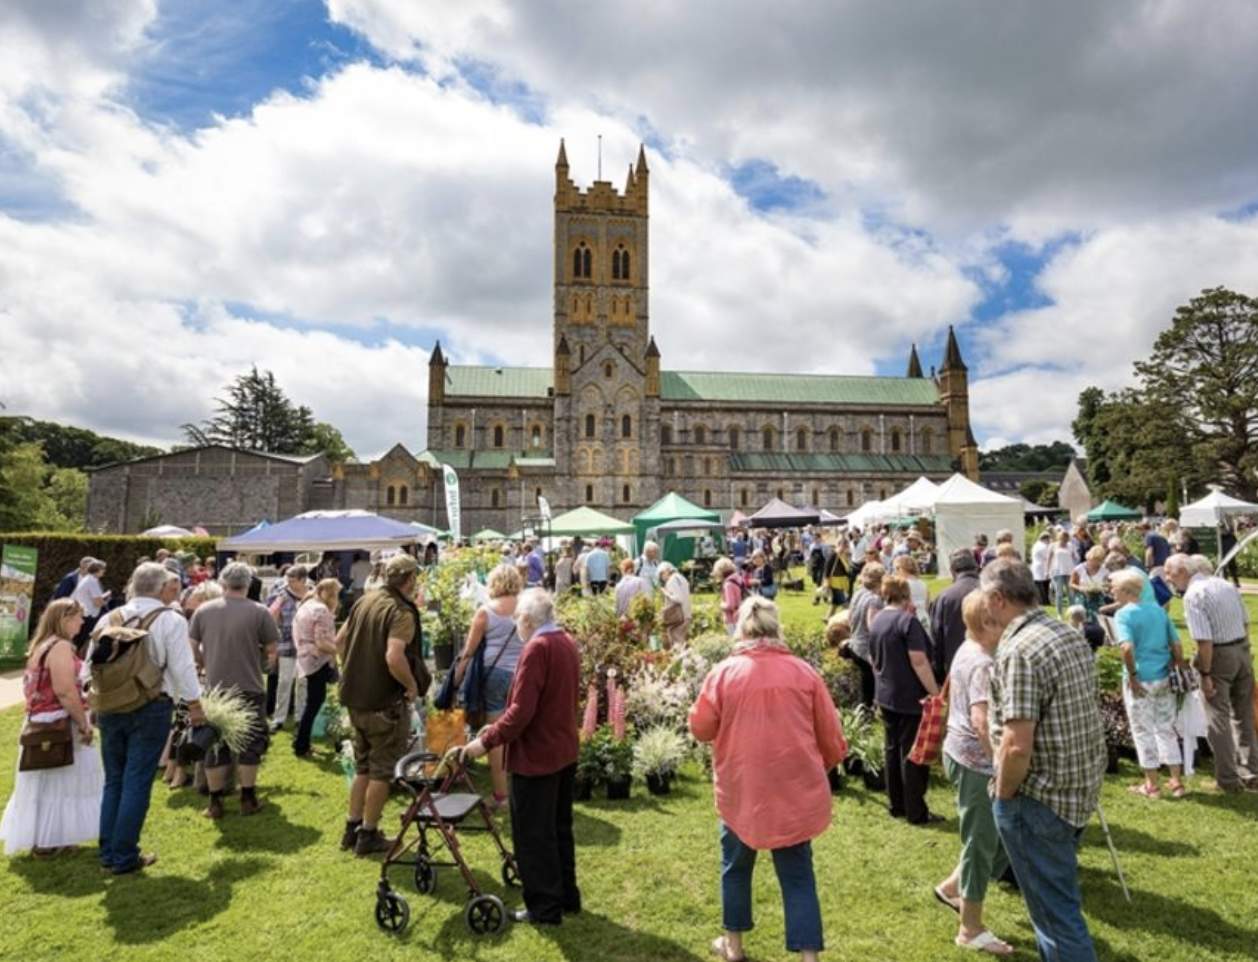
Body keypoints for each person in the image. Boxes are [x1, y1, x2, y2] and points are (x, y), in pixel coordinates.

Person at [689, 595, 846, 962]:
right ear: (777, 627)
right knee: (798, 876)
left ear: (741, 628)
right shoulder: (803, 672)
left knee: (735, 868)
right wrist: (821, 765)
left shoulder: (725, 672)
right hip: (792, 788)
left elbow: (700, 726)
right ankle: (809, 957)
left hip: (741, 788)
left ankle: (734, 945)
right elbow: (832, 738)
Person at [983, 559, 1105, 962]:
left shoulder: (1019, 650)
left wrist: (1003, 796)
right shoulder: (1064, 632)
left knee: (1056, 916)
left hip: (1039, 797)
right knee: (1055, 906)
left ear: (998, 599)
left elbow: (1017, 744)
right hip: (1075, 788)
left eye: (986, 600)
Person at [459, 589, 582, 925]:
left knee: (533, 834)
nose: (517, 626)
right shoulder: (565, 642)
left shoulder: (538, 648)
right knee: (558, 829)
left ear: (528, 619)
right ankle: (566, 895)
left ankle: (544, 907)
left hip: (538, 755)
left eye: (518, 621)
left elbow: (520, 712)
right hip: (562, 749)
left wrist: (482, 743)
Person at [91, 562, 206, 873]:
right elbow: (182, 667)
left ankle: (108, 852)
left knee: (114, 780)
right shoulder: (170, 619)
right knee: (136, 780)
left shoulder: (109, 617)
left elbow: (90, 665)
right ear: (160, 588)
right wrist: (195, 703)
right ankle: (125, 855)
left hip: (110, 703)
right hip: (151, 703)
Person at [933, 591, 1013, 956]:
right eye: (1004, 617)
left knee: (988, 839)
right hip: (975, 762)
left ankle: (952, 887)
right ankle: (971, 928)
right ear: (988, 623)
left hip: (960, 753)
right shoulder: (981, 660)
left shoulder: (967, 648)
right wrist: (1000, 762)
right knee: (982, 845)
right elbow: (981, 720)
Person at [336, 553, 430, 856]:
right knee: (381, 771)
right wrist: (411, 685)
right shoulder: (400, 612)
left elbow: (340, 641)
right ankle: (368, 833)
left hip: (356, 698)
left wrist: (352, 669)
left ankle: (352, 827)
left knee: (363, 766)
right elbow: (394, 656)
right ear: (410, 579)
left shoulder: (366, 601)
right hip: (383, 702)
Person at [0, 600, 104, 857]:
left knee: (49, 783)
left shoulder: (43, 645)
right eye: (79, 617)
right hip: (57, 723)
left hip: (41, 721)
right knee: (61, 781)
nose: (82, 622)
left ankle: (53, 837)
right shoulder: (59, 647)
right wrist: (83, 723)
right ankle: (49, 840)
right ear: (64, 618)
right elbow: (65, 690)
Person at [187, 561, 280, 818]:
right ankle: (247, 797)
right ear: (248, 584)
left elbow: (191, 649)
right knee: (250, 744)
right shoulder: (260, 612)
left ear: (223, 583)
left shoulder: (203, 611)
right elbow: (272, 653)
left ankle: (215, 802)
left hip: (215, 689)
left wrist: (204, 666)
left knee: (216, 745)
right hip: (250, 685)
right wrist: (261, 662)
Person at [1163, 554, 1256, 792]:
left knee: (1218, 719)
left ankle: (1227, 780)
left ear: (1183, 571)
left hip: (1219, 656)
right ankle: (1251, 772)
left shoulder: (1194, 595)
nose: (1167, 578)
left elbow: (1204, 641)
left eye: (1170, 573)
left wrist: (1205, 674)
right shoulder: (1225, 584)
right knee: (1243, 715)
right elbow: (1246, 623)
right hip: (1242, 651)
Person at [869, 575, 941, 825]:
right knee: (913, 754)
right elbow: (919, 661)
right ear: (906, 595)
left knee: (891, 750)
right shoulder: (907, 622)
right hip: (909, 697)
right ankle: (915, 810)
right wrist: (935, 692)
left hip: (886, 694)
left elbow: (873, 655)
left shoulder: (878, 619)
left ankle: (896, 803)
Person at [1108, 570, 1186, 798]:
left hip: (1141, 678)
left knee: (1143, 730)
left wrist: (1132, 674)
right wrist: (1177, 665)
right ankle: (1176, 781)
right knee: (1166, 728)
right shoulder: (1159, 612)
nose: (1112, 592)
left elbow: (1126, 647)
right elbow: (1177, 644)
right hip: (1163, 675)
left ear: (1127, 591)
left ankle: (1151, 784)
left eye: (1115, 589)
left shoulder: (1124, 615)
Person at [453, 564, 525, 810]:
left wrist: (455, 680)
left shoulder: (485, 612)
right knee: (521, 729)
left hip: (494, 675)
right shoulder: (526, 608)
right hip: (523, 675)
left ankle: (501, 796)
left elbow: (468, 652)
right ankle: (524, 786)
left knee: (496, 735)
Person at [292, 577, 341, 758]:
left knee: (311, 702)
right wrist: (341, 651)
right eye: (335, 595)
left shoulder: (306, 606)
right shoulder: (321, 611)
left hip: (305, 657)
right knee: (314, 703)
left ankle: (301, 741)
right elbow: (322, 642)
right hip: (317, 660)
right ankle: (301, 744)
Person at [268, 565, 309, 732]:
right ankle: (279, 718)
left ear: (302, 580)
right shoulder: (282, 593)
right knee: (284, 681)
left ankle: (300, 717)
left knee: (303, 682)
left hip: (306, 644)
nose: (289, 583)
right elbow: (271, 616)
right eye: (288, 580)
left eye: (293, 580)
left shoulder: (312, 592)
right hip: (286, 642)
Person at [929, 549, 981, 682]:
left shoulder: (944, 597)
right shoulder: (992, 591)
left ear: (952, 571)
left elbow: (936, 638)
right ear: (976, 568)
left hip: (956, 667)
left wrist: (938, 673)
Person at [844, 563, 886, 709]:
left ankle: (864, 710)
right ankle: (869, 711)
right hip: (866, 649)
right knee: (870, 685)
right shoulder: (875, 600)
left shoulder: (858, 593)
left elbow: (849, 617)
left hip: (855, 643)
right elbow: (873, 627)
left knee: (865, 682)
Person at [70, 559, 110, 650]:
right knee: (82, 641)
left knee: (78, 640)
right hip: (89, 616)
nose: (104, 571)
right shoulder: (92, 581)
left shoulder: (87, 579)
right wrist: (106, 600)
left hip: (85, 614)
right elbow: (97, 602)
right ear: (98, 570)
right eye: (103, 569)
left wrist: (103, 597)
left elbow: (93, 597)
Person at [892, 554, 931, 636]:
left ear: (902, 568)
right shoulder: (923, 584)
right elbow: (927, 605)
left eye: (897, 568)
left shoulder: (903, 585)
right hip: (924, 617)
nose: (895, 572)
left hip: (909, 619)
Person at [657, 561, 692, 648]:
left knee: (677, 643)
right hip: (686, 614)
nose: (662, 578)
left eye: (661, 575)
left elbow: (678, 599)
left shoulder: (672, 580)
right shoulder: (681, 578)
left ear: (666, 571)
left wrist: (666, 593)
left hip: (678, 617)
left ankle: (681, 661)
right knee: (682, 640)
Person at [1069, 545, 1107, 622]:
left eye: (1098, 560)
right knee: (1081, 621)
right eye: (1092, 560)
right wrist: (1081, 588)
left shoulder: (1105, 571)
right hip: (1082, 599)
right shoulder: (1079, 569)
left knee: (1097, 622)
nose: (1094, 563)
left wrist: (1100, 588)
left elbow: (1107, 586)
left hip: (1097, 600)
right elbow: (1071, 584)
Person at [1048, 531, 1076, 619]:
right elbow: (1049, 558)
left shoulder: (1070, 545)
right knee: (1059, 593)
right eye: (1063, 537)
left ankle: (1072, 612)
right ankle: (1059, 613)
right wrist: (1047, 571)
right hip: (1057, 571)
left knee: (1070, 593)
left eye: (1066, 537)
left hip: (1069, 571)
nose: (1065, 539)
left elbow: (1074, 557)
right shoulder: (1053, 545)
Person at [714, 557, 743, 636]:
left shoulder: (728, 584)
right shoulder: (738, 579)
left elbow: (730, 605)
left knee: (734, 643)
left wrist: (721, 605)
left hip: (732, 619)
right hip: (742, 615)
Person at [1030, 531, 1052, 606]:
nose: (1049, 541)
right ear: (1045, 538)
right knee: (1042, 586)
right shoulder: (1043, 546)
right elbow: (1047, 556)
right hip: (1041, 567)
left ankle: (1043, 601)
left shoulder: (1036, 545)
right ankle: (1043, 601)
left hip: (1038, 566)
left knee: (1041, 585)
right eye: (1049, 539)